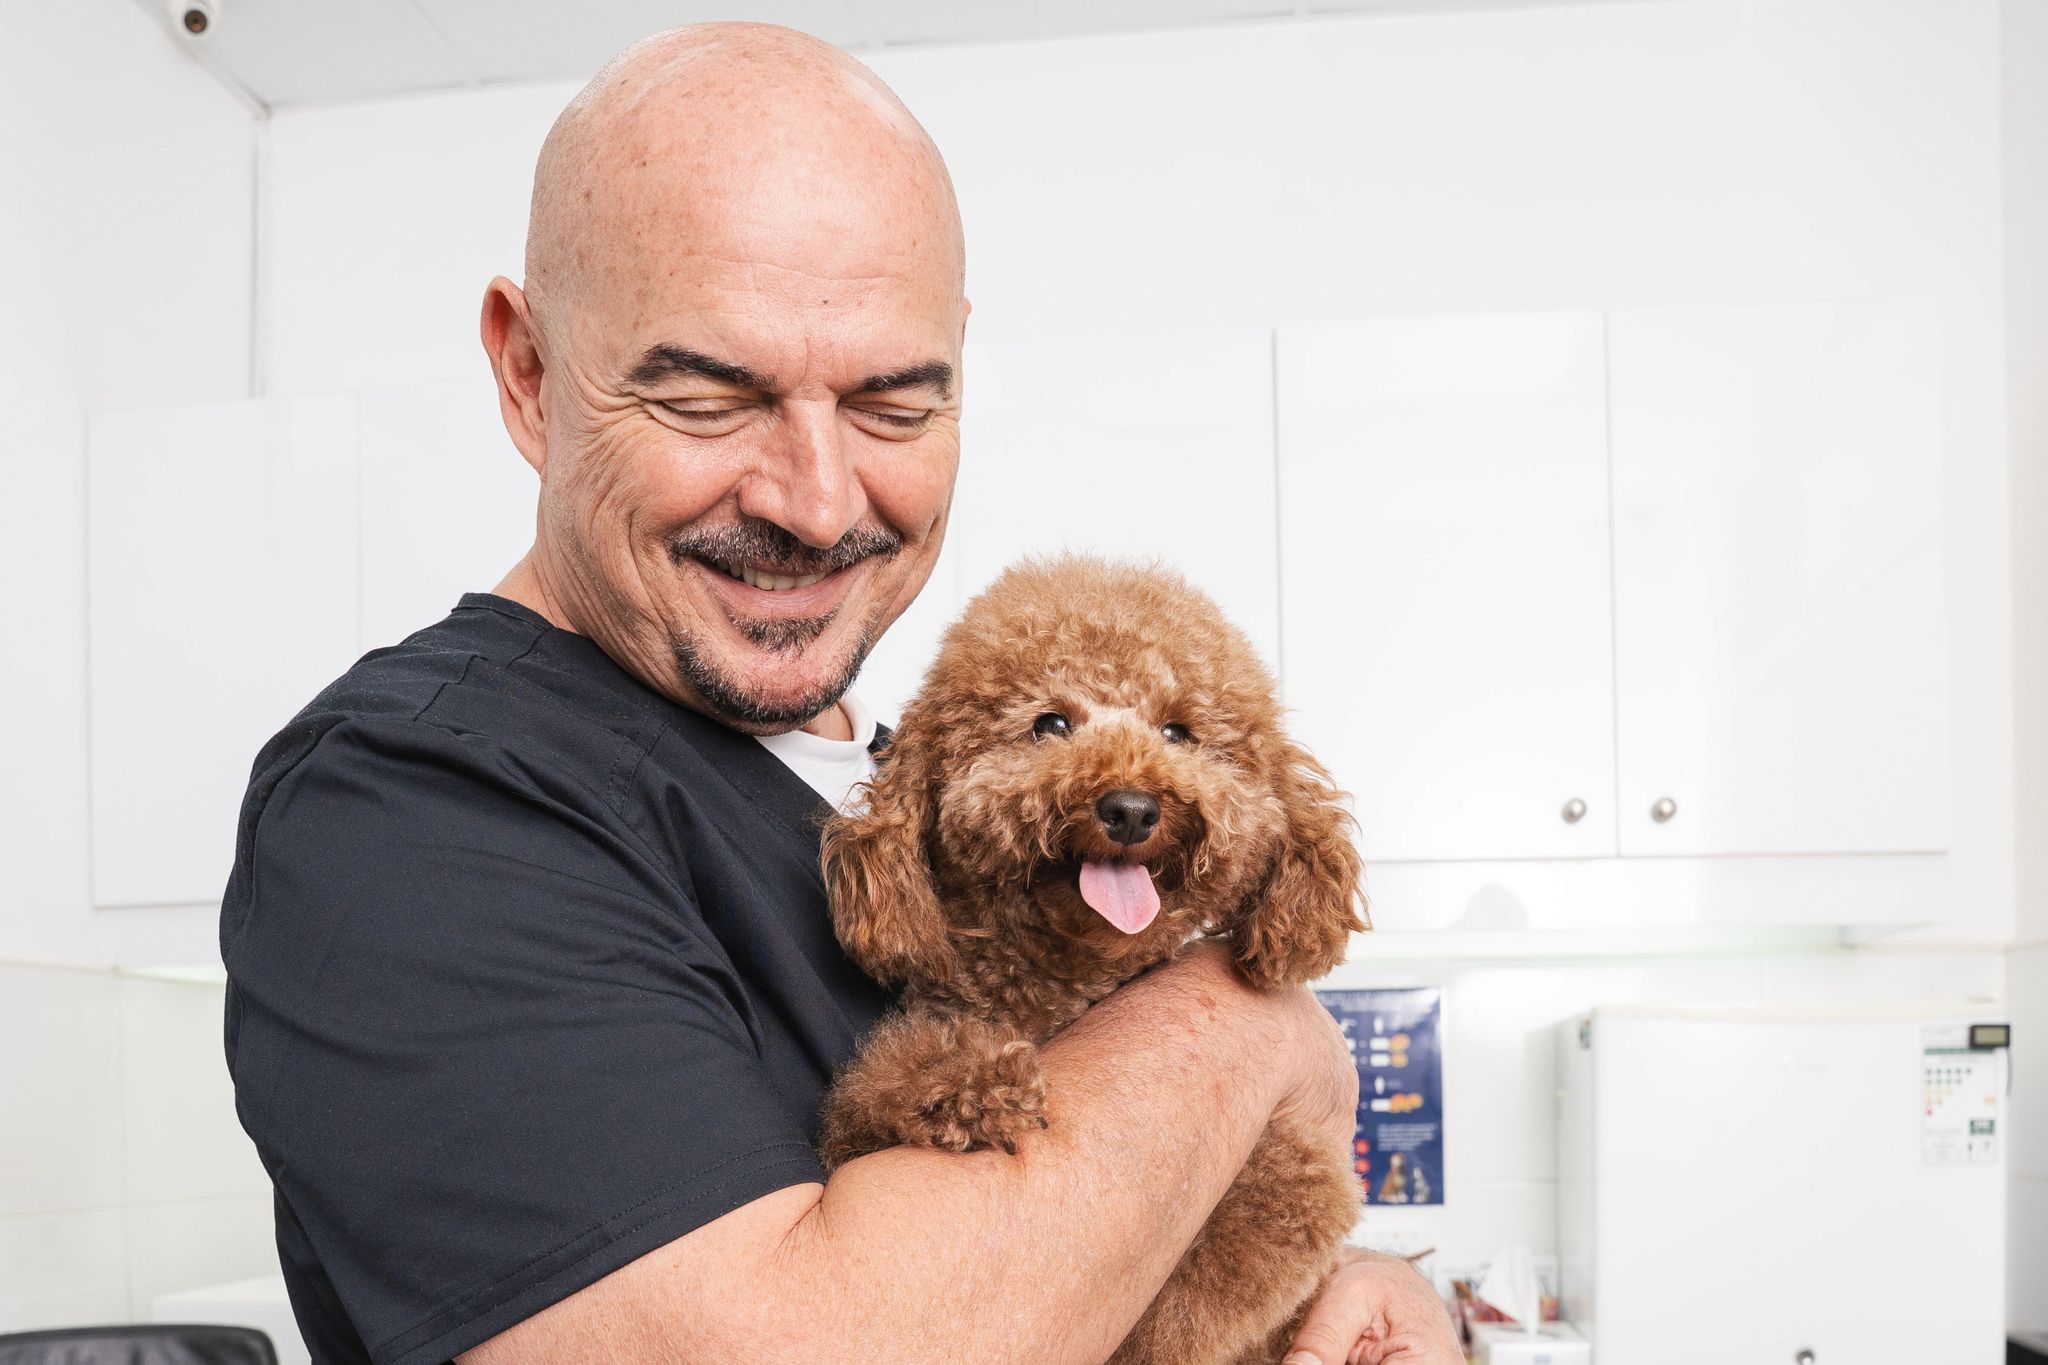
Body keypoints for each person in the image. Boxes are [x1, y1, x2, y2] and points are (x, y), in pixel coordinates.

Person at [221, 22, 1459, 1365]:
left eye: (891, 404)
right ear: (530, 373)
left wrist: (1353, 1298)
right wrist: (1242, 1027)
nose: (816, 502)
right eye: (707, 397)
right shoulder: (408, 807)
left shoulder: (920, 805)